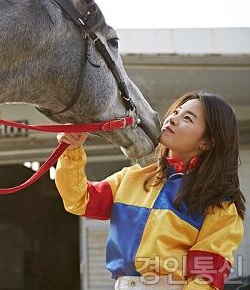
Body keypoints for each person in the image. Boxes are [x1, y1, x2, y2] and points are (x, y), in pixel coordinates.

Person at [55, 91, 245, 290]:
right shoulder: (131, 178)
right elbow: (78, 199)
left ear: (207, 142)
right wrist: (71, 149)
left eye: (187, 118)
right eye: (176, 112)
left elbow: (205, 279)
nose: (172, 118)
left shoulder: (220, 206)